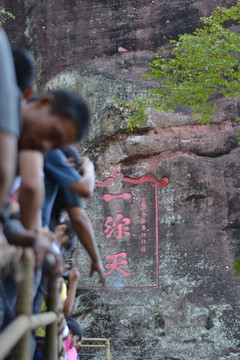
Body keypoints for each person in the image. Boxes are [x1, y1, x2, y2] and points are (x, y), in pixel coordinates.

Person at [43, 146, 106, 286]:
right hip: (40, 246)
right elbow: (79, 219)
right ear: (70, 162)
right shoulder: (63, 169)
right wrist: (88, 168)